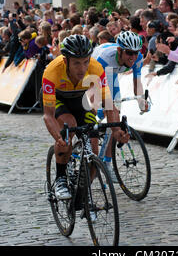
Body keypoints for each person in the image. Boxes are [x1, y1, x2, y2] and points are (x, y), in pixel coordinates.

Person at [42, 34, 129, 205]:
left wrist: (117, 131)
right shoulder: (52, 71)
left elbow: (109, 104)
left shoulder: (95, 68)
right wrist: (59, 138)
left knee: (93, 146)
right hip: (59, 100)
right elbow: (48, 115)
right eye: (76, 63)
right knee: (69, 128)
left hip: (80, 100)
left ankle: (83, 192)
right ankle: (60, 178)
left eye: (85, 62)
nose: (82, 68)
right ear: (66, 61)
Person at [92, 31, 148, 180]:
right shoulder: (103, 59)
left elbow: (137, 83)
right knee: (94, 116)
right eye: (129, 53)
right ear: (119, 50)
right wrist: (101, 107)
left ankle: (107, 164)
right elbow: (98, 88)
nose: (133, 57)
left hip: (112, 74)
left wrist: (141, 101)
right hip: (95, 74)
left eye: (136, 53)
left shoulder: (138, 59)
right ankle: (88, 155)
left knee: (115, 121)